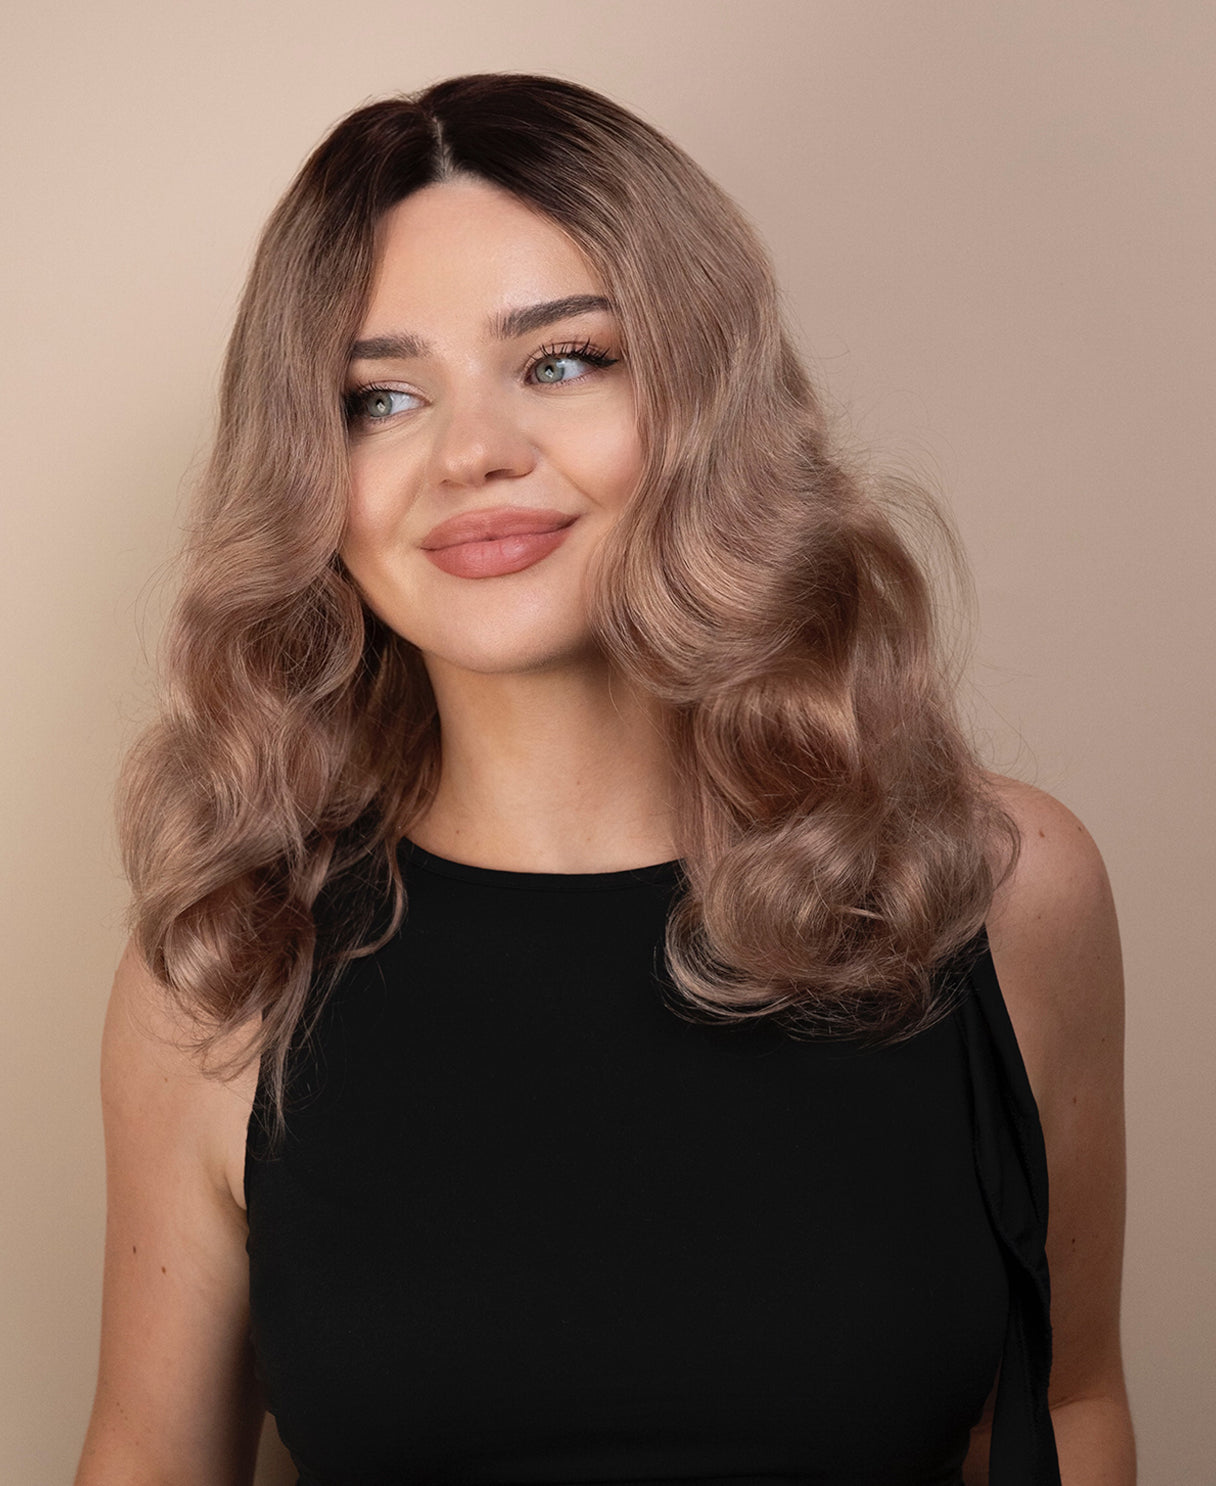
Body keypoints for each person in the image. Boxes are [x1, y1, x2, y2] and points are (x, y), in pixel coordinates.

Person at [76, 74, 1133, 1485]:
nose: (474, 454)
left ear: (702, 397)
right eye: (379, 397)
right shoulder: (229, 968)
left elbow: (1065, 1401)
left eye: (564, 362)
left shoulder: (995, 890)